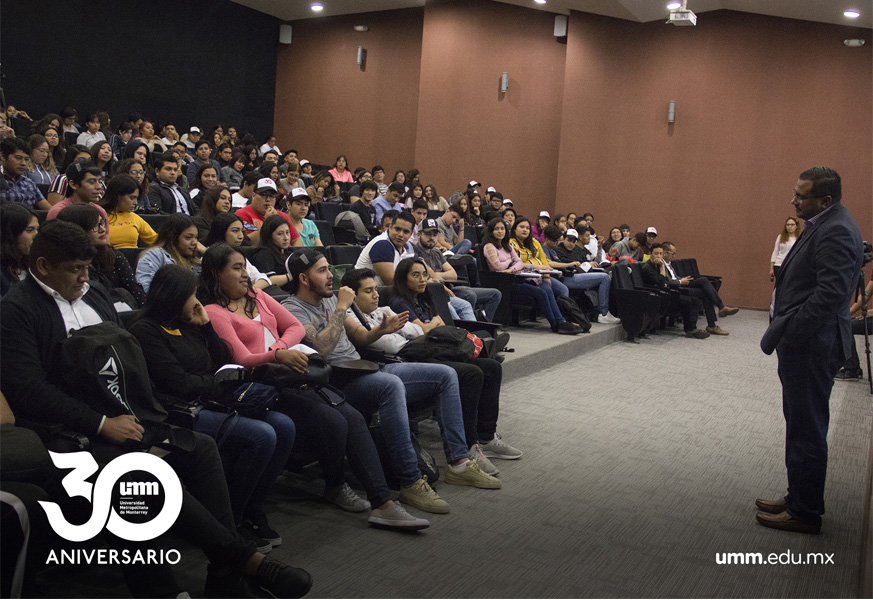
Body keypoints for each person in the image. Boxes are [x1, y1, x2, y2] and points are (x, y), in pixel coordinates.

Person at [0, 221, 312, 598]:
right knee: (138, 476)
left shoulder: (94, 294)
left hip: (128, 410)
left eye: (87, 267)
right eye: (75, 270)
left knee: (200, 447)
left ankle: (225, 575)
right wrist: (101, 423)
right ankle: (212, 571)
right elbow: (29, 391)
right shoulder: (17, 311)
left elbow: (129, 359)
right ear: (44, 265)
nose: (85, 277)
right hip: (69, 428)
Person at [198, 244, 430, 529]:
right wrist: (278, 354)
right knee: (334, 420)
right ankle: (340, 487)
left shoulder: (257, 296)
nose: (245, 274)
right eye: (236, 268)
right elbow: (242, 358)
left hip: (290, 374)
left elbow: (294, 327)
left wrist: (280, 347)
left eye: (245, 266)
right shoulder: (215, 311)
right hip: (261, 385)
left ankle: (383, 503)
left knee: (353, 418)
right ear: (215, 273)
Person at [281, 248, 501, 511]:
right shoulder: (292, 308)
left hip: (364, 367)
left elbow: (360, 337)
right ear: (304, 279)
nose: (331, 275)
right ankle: (410, 481)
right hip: (336, 379)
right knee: (392, 385)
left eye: (329, 268)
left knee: (446, 374)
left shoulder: (330, 298)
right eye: (323, 270)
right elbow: (323, 349)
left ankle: (459, 463)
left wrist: (379, 331)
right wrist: (341, 306)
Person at [129, 264, 295, 552]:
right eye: (190, 295)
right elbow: (180, 384)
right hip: (182, 410)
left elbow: (222, 361)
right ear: (172, 297)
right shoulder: (146, 331)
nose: (196, 302)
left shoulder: (188, 323)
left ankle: (255, 510)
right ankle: (235, 519)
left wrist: (206, 326)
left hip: (212, 398)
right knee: (262, 435)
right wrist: (214, 382)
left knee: (285, 426)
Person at [757, 167, 863, 534]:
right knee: (800, 421)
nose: (793, 200)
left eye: (800, 196)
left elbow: (830, 295)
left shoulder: (835, 230)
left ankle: (805, 512)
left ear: (824, 200)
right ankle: (797, 495)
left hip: (812, 344)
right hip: (808, 342)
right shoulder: (825, 222)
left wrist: (794, 333)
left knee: (808, 426)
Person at [343, 265, 521, 474]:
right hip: (404, 360)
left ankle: (487, 436)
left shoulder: (384, 310)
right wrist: (400, 333)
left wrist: (405, 332)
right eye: (368, 291)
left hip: (421, 350)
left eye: (375, 289)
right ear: (352, 296)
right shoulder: (353, 317)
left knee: (491, 367)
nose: (375, 295)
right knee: (471, 373)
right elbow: (388, 345)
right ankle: (470, 445)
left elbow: (414, 330)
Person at [482, 217, 580, 335]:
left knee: (546, 289)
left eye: (502, 229)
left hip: (517, 277)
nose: (500, 231)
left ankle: (561, 321)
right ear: (491, 231)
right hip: (504, 282)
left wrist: (511, 267)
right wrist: (511, 262)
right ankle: (555, 324)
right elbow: (498, 267)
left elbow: (519, 263)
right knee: (541, 292)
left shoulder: (507, 246)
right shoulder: (489, 246)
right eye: (496, 229)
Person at [55, 204, 146, 310]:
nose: (102, 229)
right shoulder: (66, 264)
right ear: (78, 229)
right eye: (95, 226)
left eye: (102, 223)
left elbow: (135, 290)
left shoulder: (113, 255)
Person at [415, 218, 502, 322]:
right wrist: (438, 276)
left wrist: (437, 275)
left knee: (495, 294)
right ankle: (467, 332)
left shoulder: (437, 252)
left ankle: (483, 329)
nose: (432, 237)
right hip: (434, 294)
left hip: (449, 290)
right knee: (468, 296)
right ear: (419, 235)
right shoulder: (415, 253)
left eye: (434, 234)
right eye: (428, 234)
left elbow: (453, 274)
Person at [660, 240, 738, 335]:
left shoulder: (669, 263)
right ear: (664, 253)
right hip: (677, 289)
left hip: (681, 283)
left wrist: (682, 279)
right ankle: (715, 318)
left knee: (704, 281)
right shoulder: (661, 264)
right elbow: (666, 280)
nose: (674, 256)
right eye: (673, 254)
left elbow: (674, 276)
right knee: (706, 292)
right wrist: (680, 281)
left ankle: (719, 313)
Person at [550, 227, 621, 324]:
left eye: (574, 241)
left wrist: (592, 259)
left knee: (605, 274)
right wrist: (577, 265)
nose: (571, 243)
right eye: (569, 240)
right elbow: (564, 265)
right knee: (604, 277)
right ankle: (604, 313)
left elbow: (587, 262)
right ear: (563, 239)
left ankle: (600, 311)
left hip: (580, 274)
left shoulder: (576, 250)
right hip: (567, 277)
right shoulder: (559, 250)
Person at [641, 244, 710, 339]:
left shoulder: (658, 265)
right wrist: (662, 268)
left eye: (660, 254)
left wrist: (664, 278)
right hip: (658, 296)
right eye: (656, 253)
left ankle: (691, 329)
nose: (658, 256)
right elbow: (663, 282)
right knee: (687, 301)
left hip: (668, 292)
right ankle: (690, 329)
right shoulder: (647, 267)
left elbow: (666, 282)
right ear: (650, 254)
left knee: (696, 301)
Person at [135, 213, 201, 292]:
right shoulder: (155, 255)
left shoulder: (195, 262)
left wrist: (206, 253)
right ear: (173, 237)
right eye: (188, 237)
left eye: (196, 237)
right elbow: (145, 290)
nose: (195, 242)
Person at [235, 178, 302, 246]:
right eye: (263, 195)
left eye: (272, 196)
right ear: (253, 195)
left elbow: (296, 239)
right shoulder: (241, 215)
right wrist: (268, 222)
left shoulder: (282, 216)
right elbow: (247, 243)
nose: (268, 199)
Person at [354, 212, 417, 285]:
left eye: (406, 232)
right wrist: (416, 281)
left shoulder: (408, 246)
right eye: (397, 229)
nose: (400, 234)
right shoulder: (382, 244)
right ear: (390, 227)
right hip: (365, 292)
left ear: (411, 234)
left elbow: (421, 268)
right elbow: (390, 281)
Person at [101, 174, 158, 249]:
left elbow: (158, 241)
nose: (136, 203)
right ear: (118, 195)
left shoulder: (134, 218)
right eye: (132, 198)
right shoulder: (99, 216)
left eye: (136, 198)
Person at [1, 138, 51, 209]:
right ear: (2, 156)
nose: (23, 163)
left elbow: (49, 210)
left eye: (26, 159)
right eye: (18, 158)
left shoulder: (29, 183)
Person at [0, 204, 38, 295]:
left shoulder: (33, 264)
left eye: (37, 229)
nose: (37, 236)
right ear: (11, 234)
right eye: (30, 230)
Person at [769, 216, 802, 281]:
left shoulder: (800, 239)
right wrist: (771, 268)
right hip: (779, 265)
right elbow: (775, 252)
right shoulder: (780, 237)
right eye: (788, 225)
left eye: (792, 225)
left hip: (792, 266)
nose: (790, 227)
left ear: (796, 226)